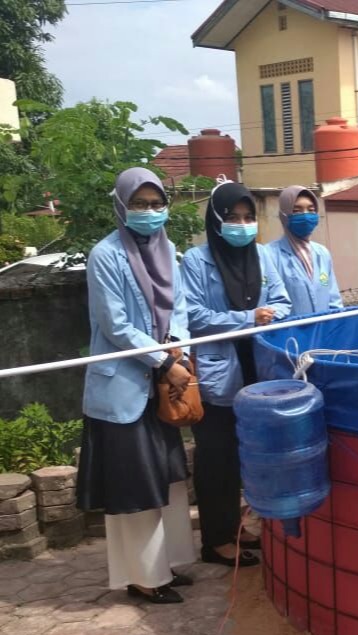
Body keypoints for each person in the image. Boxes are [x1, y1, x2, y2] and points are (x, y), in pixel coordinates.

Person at [76, 167, 196, 605]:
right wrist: (165, 360)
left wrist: (179, 350)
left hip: (164, 383)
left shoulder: (169, 252)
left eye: (156, 203)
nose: (149, 212)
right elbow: (116, 326)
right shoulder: (105, 255)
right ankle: (143, 577)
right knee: (135, 486)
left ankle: (167, 563)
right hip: (123, 389)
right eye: (139, 204)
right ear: (122, 206)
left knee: (168, 480)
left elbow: (179, 309)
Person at [181, 181, 291, 567]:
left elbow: (282, 300)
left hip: (257, 368)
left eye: (247, 217)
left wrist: (271, 313)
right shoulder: (196, 261)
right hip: (218, 371)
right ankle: (216, 541)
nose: (241, 225)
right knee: (217, 458)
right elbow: (193, 316)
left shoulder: (262, 255)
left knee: (250, 455)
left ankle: (238, 527)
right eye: (232, 217)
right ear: (215, 220)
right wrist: (247, 318)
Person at [266, 186, 343, 316]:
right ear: (284, 216)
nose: (306, 215)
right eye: (297, 211)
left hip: (323, 333)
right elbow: (270, 305)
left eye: (311, 210)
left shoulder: (322, 253)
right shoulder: (269, 255)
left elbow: (334, 302)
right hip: (290, 335)